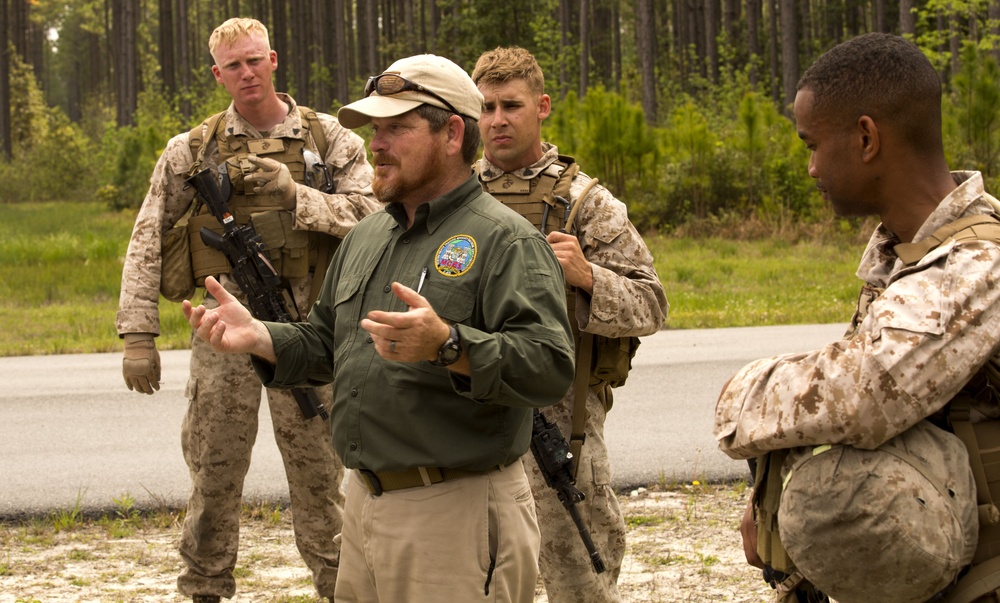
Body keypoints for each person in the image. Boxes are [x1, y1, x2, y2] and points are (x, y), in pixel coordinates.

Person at [181, 53, 577, 603]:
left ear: (452, 133)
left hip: (454, 514)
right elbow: (326, 341)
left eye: (397, 127)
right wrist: (261, 336)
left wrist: (448, 345)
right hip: (364, 505)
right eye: (375, 128)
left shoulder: (505, 240)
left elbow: (549, 367)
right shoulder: (368, 236)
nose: (377, 143)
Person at [714, 33, 1000, 602]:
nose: (812, 167)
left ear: (866, 137)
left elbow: (866, 393)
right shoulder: (909, 255)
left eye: (813, 145)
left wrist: (740, 395)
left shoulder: (975, 266)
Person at [117, 17, 379, 603]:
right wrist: (138, 336)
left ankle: (341, 589)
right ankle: (204, 588)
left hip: (307, 328)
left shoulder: (329, 139)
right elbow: (149, 236)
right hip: (220, 335)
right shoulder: (192, 148)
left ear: (274, 60)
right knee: (213, 471)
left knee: (321, 477)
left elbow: (374, 215)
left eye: (254, 60)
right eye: (233, 65)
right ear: (218, 74)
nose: (247, 72)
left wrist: (298, 196)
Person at [470, 47, 668, 602]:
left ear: (543, 106)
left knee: (580, 578)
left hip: (561, 426)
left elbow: (651, 304)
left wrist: (587, 278)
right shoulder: (454, 196)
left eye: (511, 105)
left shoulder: (586, 203)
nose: (497, 120)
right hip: (467, 417)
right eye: (485, 107)